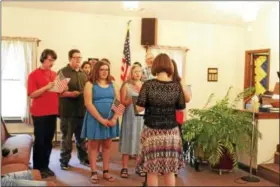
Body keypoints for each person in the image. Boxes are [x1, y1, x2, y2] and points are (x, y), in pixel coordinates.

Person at [136, 53, 186, 186]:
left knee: (152, 170)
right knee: (170, 170)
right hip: (171, 133)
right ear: (170, 66)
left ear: (155, 66)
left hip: (152, 132)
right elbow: (180, 108)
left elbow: (139, 108)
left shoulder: (148, 85)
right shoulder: (176, 86)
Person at [27, 49, 65, 178]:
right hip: (39, 113)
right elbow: (32, 94)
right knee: (40, 141)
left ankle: (45, 166)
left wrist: (62, 88)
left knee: (49, 141)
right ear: (43, 59)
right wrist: (46, 87)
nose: (52, 62)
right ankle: (38, 168)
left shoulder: (55, 74)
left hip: (52, 111)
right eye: (49, 60)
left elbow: (58, 93)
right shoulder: (33, 75)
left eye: (53, 60)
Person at [81, 60, 120, 184]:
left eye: (106, 70)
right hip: (95, 119)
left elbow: (118, 102)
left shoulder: (113, 84)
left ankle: (106, 171)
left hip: (110, 120)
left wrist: (114, 118)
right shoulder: (90, 84)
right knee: (93, 146)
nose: (104, 72)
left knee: (107, 146)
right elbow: (88, 103)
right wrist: (101, 119)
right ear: (96, 70)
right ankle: (93, 171)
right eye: (101, 69)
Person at [58, 49, 89, 170]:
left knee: (82, 138)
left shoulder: (83, 73)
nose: (78, 60)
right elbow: (59, 93)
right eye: (75, 58)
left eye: (79, 58)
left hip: (82, 111)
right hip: (68, 112)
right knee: (66, 139)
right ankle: (64, 161)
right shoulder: (62, 72)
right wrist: (70, 94)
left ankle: (83, 158)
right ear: (70, 58)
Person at [119, 63, 144, 178]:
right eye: (135, 71)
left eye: (140, 71)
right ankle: (124, 167)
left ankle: (139, 167)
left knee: (140, 142)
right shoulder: (126, 85)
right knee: (128, 140)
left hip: (142, 117)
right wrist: (128, 101)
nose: (138, 73)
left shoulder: (145, 85)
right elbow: (122, 102)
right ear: (131, 73)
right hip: (129, 117)